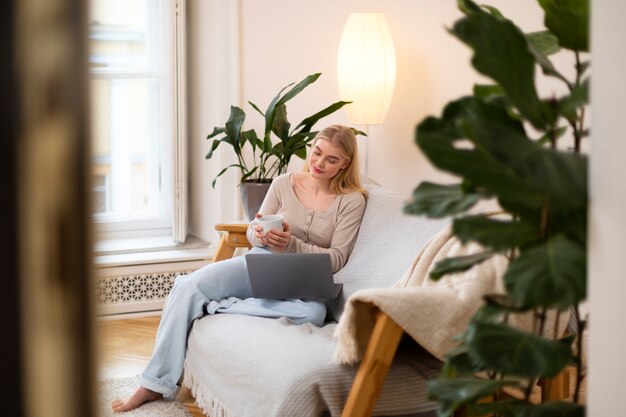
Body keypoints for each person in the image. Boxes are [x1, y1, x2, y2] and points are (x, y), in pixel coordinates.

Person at [112, 124, 367, 412]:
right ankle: (152, 384)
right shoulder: (285, 182)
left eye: (332, 160)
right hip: (261, 262)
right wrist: (257, 233)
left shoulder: (352, 201)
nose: (319, 163)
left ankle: (220, 306)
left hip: (305, 283)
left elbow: (337, 257)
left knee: (314, 313)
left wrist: (291, 244)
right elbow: (252, 229)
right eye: (317, 152)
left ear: (346, 163)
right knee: (188, 286)